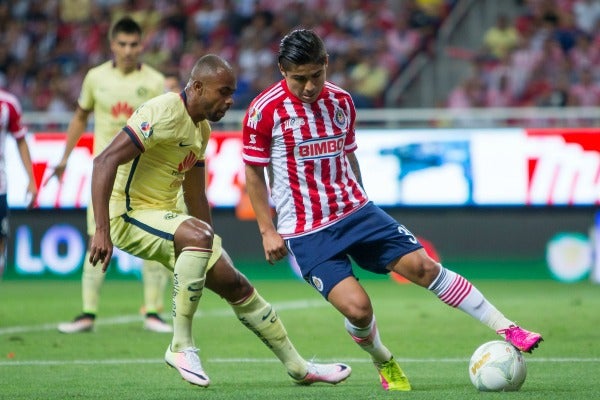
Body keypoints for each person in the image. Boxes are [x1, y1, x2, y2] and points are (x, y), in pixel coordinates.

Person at [242, 29, 543, 392]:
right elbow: (254, 174)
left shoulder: (341, 102)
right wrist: (267, 229)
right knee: (358, 310)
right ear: (282, 70)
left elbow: (349, 155)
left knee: (424, 266)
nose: (309, 87)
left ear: (326, 64)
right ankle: (383, 360)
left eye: (315, 76)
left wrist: (366, 204)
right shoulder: (264, 111)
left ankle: (506, 326)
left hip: (356, 211)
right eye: (298, 79)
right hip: (307, 230)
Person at [87, 53, 351, 388]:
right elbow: (104, 161)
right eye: (223, 92)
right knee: (199, 238)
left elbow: (196, 193)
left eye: (232, 93)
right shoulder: (163, 111)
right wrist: (102, 230)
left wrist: (208, 238)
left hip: (168, 218)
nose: (229, 100)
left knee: (236, 284)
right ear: (197, 87)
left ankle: (299, 367)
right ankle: (180, 346)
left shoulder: (202, 129)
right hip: (128, 213)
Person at [51, 16, 173, 333]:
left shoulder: (156, 81)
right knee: (97, 237)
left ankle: (153, 312)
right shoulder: (95, 78)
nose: (129, 50)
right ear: (112, 45)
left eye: (134, 44)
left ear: (142, 45)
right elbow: (80, 117)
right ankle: (88, 313)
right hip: (104, 172)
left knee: (153, 238)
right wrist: (64, 157)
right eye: (123, 44)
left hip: (142, 173)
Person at [0, 88, 37, 278]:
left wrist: (31, 180)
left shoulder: (8, 104)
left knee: (1, 246)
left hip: (0, 186)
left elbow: (21, 141)